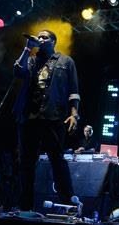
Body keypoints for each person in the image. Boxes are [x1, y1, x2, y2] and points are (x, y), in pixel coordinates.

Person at [13, 29, 80, 211]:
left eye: (45, 37)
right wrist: (28, 49)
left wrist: (74, 114)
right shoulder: (32, 60)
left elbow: (73, 91)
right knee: (26, 162)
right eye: (39, 37)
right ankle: (24, 206)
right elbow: (18, 71)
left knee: (57, 159)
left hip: (54, 116)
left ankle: (68, 203)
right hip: (29, 117)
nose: (40, 39)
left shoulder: (66, 62)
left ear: (53, 41)